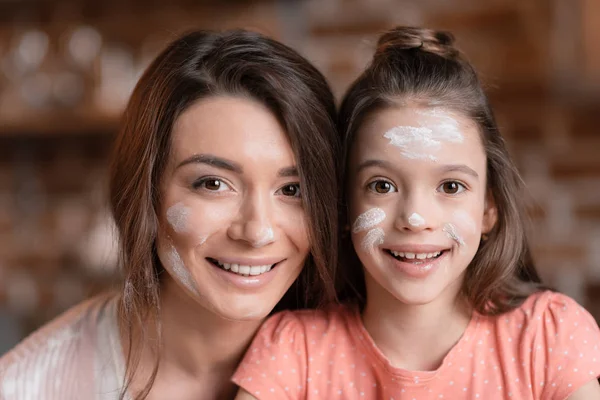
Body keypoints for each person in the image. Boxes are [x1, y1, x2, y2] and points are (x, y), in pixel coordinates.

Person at [232, 26, 600, 399]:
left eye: (451, 186)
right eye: (382, 185)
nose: (415, 218)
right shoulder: (295, 352)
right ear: (344, 206)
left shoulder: (548, 337)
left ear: (490, 208)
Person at [0, 29, 340, 400]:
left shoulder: (363, 367)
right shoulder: (26, 387)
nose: (257, 231)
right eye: (212, 184)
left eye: (292, 190)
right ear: (146, 192)